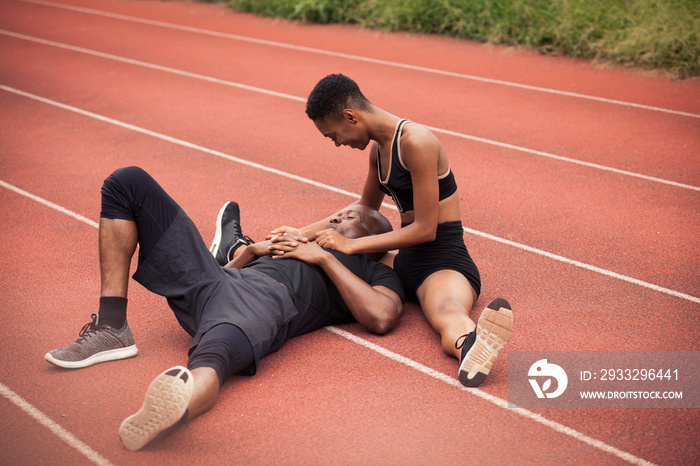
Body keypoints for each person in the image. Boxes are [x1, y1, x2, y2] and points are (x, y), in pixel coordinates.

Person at [45, 166, 404, 451]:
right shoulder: (296, 242)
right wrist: (247, 254)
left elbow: (383, 317)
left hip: (261, 303)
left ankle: (176, 406)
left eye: (349, 217)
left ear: (371, 238)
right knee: (127, 182)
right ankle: (112, 327)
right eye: (337, 214)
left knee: (211, 362)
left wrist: (325, 258)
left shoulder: (369, 270)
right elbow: (222, 283)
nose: (334, 219)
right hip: (215, 281)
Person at [268, 74, 513, 388]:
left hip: (441, 262)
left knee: (447, 312)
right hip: (402, 261)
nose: (337, 143)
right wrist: (301, 234)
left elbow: (426, 230)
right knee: (324, 258)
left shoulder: (416, 141)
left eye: (333, 136)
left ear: (350, 117)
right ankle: (241, 252)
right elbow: (363, 210)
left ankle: (472, 346)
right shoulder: (378, 151)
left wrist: (351, 245)